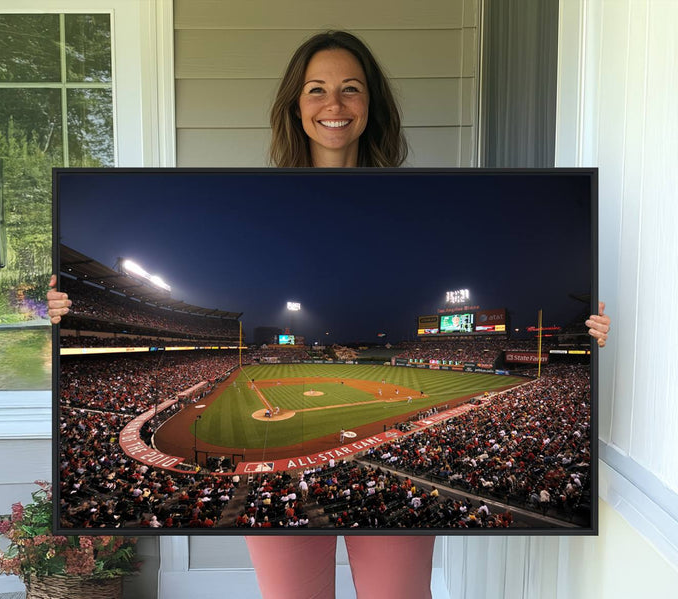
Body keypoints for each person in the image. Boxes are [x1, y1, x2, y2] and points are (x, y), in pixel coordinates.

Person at [47, 29, 611, 599]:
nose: (334, 105)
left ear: (372, 104)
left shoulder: (411, 196)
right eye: (316, 89)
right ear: (295, 104)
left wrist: (586, 336)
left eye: (351, 89)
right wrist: (58, 316)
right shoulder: (258, 191)